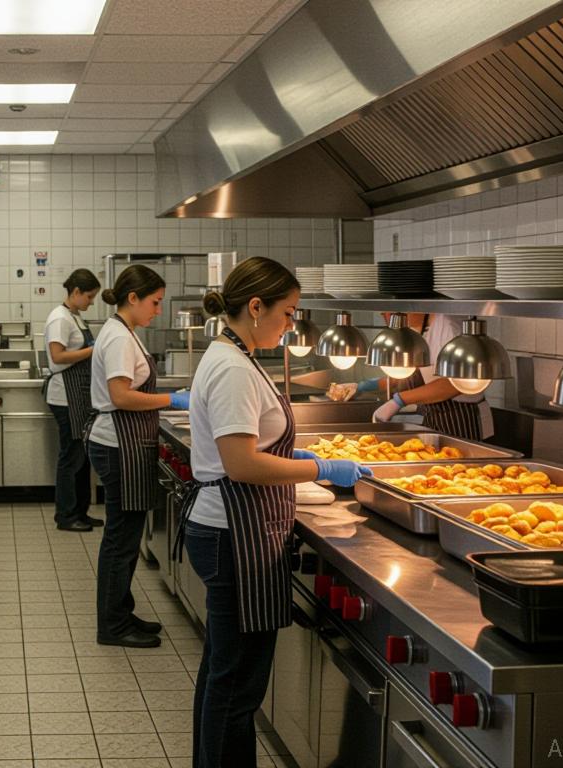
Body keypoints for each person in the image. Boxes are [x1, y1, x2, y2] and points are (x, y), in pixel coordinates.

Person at [181, 256, 370, 768]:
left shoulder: (236, 356)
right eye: (287, 313)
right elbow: (242, 464)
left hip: (235, 529)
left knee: (225, 675)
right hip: (233, 535)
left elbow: (250, 445)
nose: (290, 324)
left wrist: (291, 455)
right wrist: (321, 468)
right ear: (256, 307)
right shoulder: (232, 368)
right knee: (236, 684)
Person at [87, 264, 186, 649]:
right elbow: (121, 396)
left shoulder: (124, 333)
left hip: (123, 442)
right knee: (121, 539)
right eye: (155, 302)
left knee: (125, 537)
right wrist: (171, 399)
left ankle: (121, 613)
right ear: (133, 298)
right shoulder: (118, 338)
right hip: (118, 444)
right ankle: (112, 625)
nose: (158, 310)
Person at [370, 313, 494, 440]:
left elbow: (455, 384)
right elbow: (407, 372)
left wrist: (399, 401)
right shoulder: (419, 330)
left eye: (391, 312)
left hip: (463, 418)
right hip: (433, 416)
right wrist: (369, 385)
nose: (386, 317)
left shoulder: (449, 326)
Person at [44, 268, 103, 532]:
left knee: (82, 457)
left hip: (79, 395)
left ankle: (81, 511)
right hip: (65, 397)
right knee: (71, 457)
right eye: (89, 296)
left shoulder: (74, 316)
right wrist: (92, 350)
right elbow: (57, 357)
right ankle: (66, 516)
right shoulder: (59, 318)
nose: (91, 301)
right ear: (76, 291)